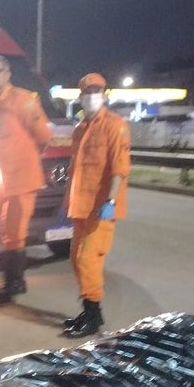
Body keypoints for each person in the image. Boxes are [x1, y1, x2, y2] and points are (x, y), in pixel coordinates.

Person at [63, 73, 131, 338]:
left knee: (88, 259)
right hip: (80, 206)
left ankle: (93, 316)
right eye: (87, 91)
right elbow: (75, 169)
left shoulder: (116, 126)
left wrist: (111, 201)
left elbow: (120, 168)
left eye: (96, 90)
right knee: (75, 260)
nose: (91, 95)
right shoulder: (80, 129)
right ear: (80, 97)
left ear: (104, 95)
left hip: (101, 206)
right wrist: (65, 200)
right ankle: (89, 310)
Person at [0, 55, 53, 303]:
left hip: (22, 178)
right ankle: (12, 282)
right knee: (6, 232)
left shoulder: (22, 99)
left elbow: (43, 134)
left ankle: (13, 283)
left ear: (8, 73)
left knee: (16, 232)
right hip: (1, 180)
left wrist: (28, 158)